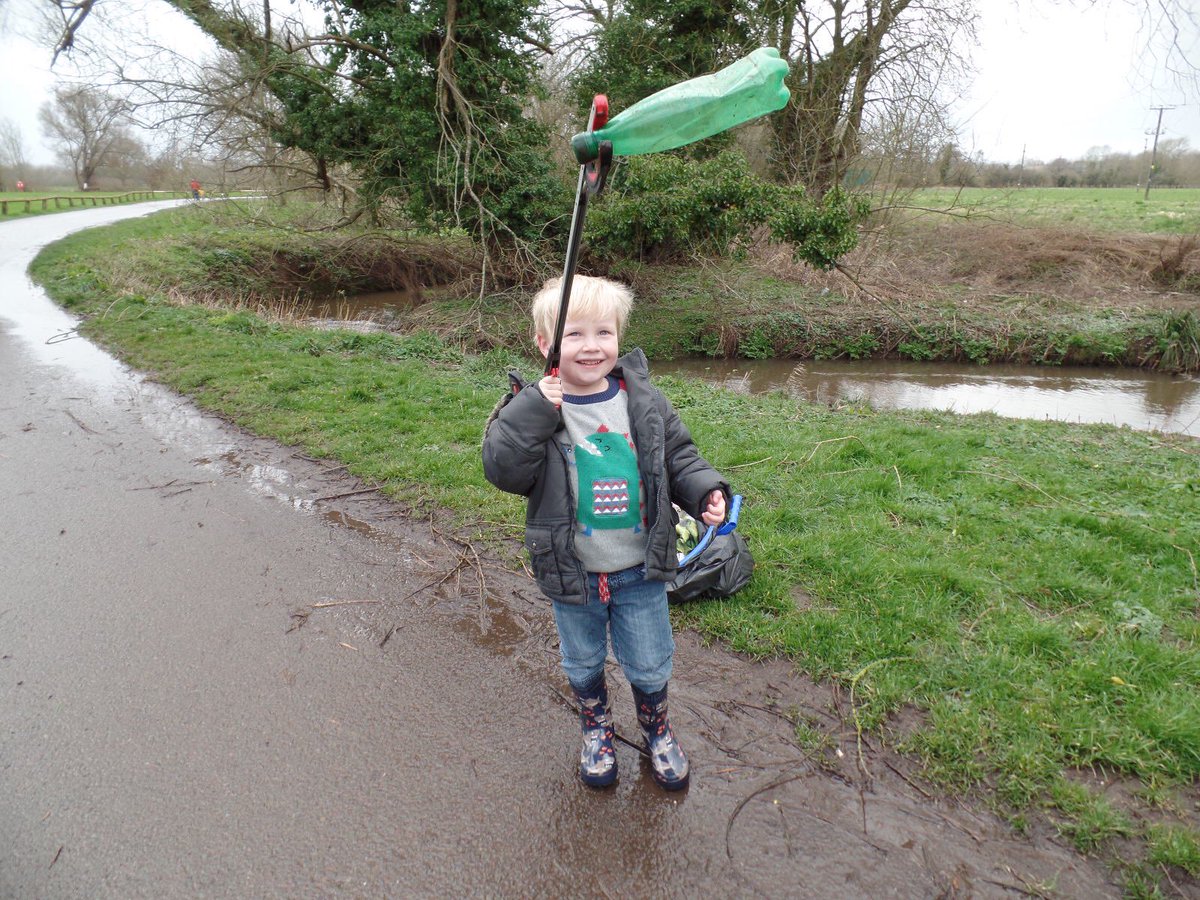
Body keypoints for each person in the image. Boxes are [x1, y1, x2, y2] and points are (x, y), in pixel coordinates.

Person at [482, 275, 729, 791]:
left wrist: (704, 491)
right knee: (583, 660)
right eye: (574, 335)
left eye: (603, 333)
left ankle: (656, 730)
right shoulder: (531, 408)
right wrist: (533, 408)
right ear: (545, 344)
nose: (591, 347)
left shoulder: (641, 398)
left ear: (619, 337)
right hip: (573, 573)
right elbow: (504, 470)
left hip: (640, 569)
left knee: (650, 661)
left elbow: (678, 456)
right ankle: (596, 726)